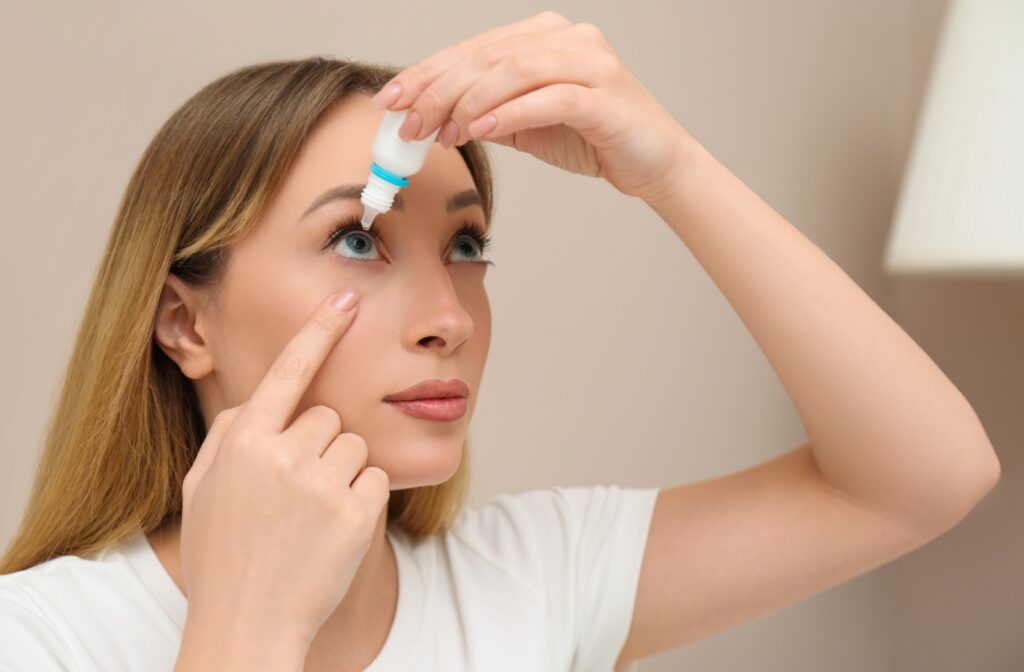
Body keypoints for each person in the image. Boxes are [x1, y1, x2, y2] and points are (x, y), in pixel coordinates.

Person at [0, 10, 1001, 672]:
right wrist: (248, 631)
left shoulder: (527, 581)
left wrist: (672, 170)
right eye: (357, 238)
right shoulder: (44, 638)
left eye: (467, 243)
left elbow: (924, 477)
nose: (449, 315)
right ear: (185, 322)